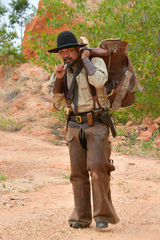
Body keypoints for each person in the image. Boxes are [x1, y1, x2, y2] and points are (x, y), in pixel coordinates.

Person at [47, 31, 120, 229]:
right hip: (73, 125)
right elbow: (55, 99)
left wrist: (87, 60)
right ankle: (81, 217)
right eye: (62, 52)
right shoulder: (62, 70)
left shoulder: (95, 63)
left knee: (98, 167)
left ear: (79, 50)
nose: (65, 55)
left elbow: (98, 81)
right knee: (77, 174)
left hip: (96, 124)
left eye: (69, 51)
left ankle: (102, 216)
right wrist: (59, 79)